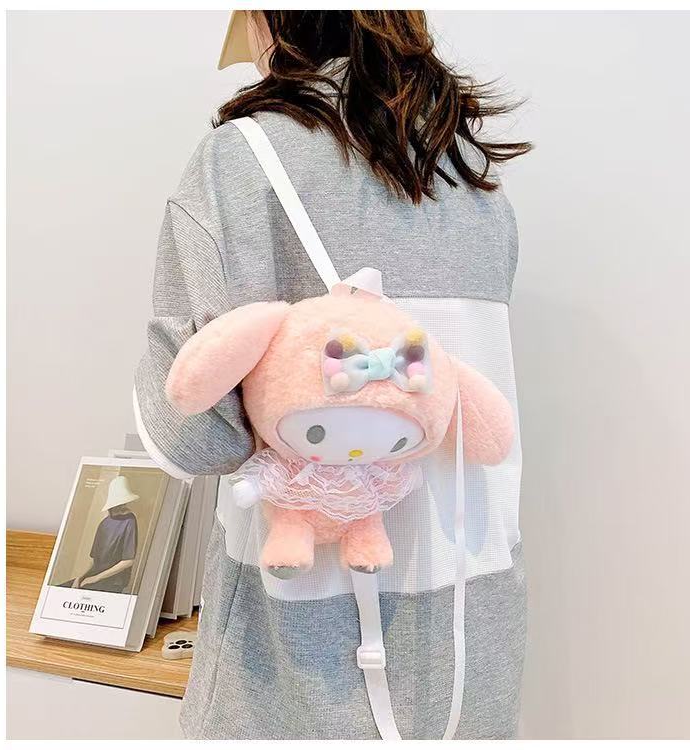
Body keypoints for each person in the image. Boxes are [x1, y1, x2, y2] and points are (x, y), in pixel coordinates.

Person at [134, 10, 530, 740]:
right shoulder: (473, 178)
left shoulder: (245, 157)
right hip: (474, 634)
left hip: (305, 655)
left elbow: (192, 438)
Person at [72, 475, 139, 594]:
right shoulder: (103, 524)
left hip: (113, 582)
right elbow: (95, 560)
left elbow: (128, 561)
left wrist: (95, 578)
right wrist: (80, 577)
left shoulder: (129, 520)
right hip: (94, 578)